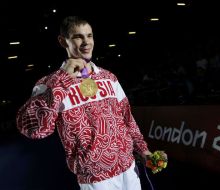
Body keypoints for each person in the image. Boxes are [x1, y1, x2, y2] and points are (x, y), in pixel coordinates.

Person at [16, 16, 167, 190]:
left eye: (89, 35)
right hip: (97, 179)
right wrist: (61, 80)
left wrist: (143, 151)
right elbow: (34, 129)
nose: (86, 42)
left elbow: (127, 118)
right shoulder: (48, 84)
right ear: (63, 41)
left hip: (129, 168)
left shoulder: (109, 77)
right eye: (78, 37)